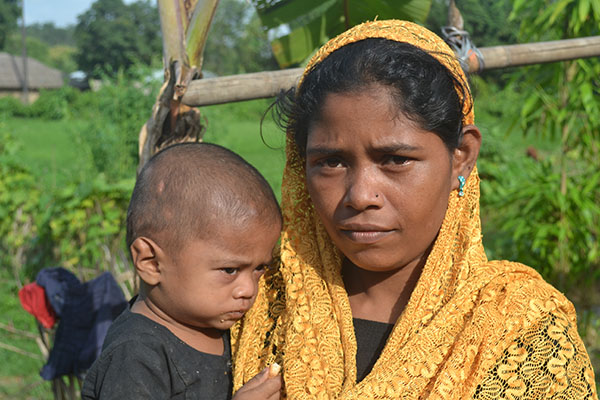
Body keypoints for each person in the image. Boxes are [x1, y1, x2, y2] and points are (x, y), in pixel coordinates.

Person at [231, 20, 598, 399]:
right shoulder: (247, 300)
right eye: (332, 162)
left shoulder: (519, 331)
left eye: (394, 159)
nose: (360, 195)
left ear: (462, 157)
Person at [82, 143, 283, 400]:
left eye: (259, 269)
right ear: (151, 262)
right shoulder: (135, 357)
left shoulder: (225, 323)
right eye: (230, 270)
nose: (249, 289)